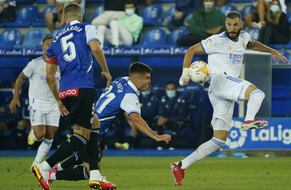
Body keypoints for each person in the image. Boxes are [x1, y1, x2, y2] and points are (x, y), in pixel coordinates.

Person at [171, 11, 287, 186]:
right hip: (220, 80)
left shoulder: (244, 37)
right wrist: (185, 75)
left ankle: (180, 166)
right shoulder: (216, 40)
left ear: (241, 25)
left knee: (218, 140)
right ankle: (248, 121)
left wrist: (272, 51)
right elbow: (190, 51)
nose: (232, 28)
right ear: (225, 24)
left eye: (235, 25)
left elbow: (253, 44)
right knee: (257, 94)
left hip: (220, 91)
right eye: (229, 25)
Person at [43, 62, 171, 185]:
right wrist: (156, 136)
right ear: (137, 79)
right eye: (147, 78)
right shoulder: (130, 96)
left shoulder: (122, 80)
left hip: (89, 120)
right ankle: (50, 174)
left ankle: (57, 169)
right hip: (93, 131)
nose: (150, 81)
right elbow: (135, 118)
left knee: (89, 157)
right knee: (91, 168)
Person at [31, 3, 114, 190]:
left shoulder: (55, 40)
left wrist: (59, 100)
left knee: (94, 123)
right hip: (84, 86)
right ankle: (44, 167)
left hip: (66, 90)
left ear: (64, 18)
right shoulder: (87, 27)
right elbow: (96, 48)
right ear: (81, 16)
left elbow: (50, 76)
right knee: (82, 136)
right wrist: (106, 71)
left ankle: (95, 175)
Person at [9, 35, 60, 167]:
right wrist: (16, 97)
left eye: (52, 44)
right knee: (39, 135)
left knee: (50, 136)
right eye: (47, 44)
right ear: (43, 47)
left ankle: (36, 164)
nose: (49, 46)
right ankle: (33, 132)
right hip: (37, 103)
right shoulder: (34, 64)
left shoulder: (62, 64)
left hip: (55, 104)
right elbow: (20, 78)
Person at [156, 81, 187, 150]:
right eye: (168, 89)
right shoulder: (163, 99)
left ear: (176, 89)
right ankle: (159, 146)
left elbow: (182, 116)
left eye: (172, 89)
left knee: (175, 124)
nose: (170, 91)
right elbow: (161, 113)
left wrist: (167, 119)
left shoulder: (182, 99)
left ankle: (172, 147)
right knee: (158, 123)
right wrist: (161, 119)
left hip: (178, 122)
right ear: (165, 90)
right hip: (166, 121)